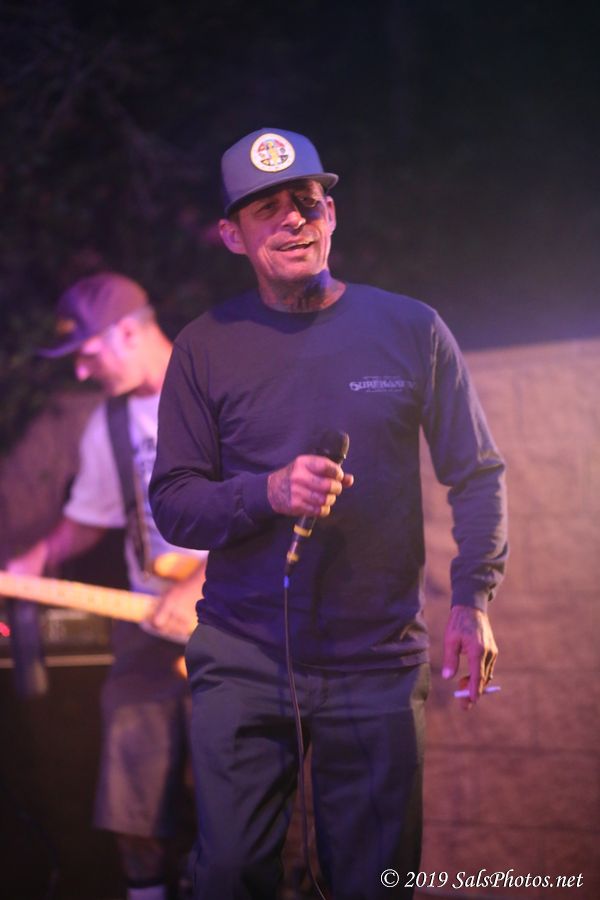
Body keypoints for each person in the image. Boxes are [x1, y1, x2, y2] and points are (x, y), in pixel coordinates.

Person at [149, 128, 508, 900]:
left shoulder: (412, 329)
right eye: (266, 208)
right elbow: (174, 504)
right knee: (228, 876)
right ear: (231, 235)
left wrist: (473, 598)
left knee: (374, 884)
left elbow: (477, 473)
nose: (293, 219)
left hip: (378, 664)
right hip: (244, 657)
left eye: (306, 201)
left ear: (332, 214)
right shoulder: (204, 347)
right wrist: (268, 492)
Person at [6, 272, 208, 900]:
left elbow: (276, 508)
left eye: (88, 354)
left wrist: (200, 584)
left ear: (127, 332)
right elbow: (87, 519)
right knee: (131, 813)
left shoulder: (220, 392)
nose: (81, 372)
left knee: (242, 815)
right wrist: (30, 563)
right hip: (147, 630)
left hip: (243, 628)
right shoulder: (110, 422)